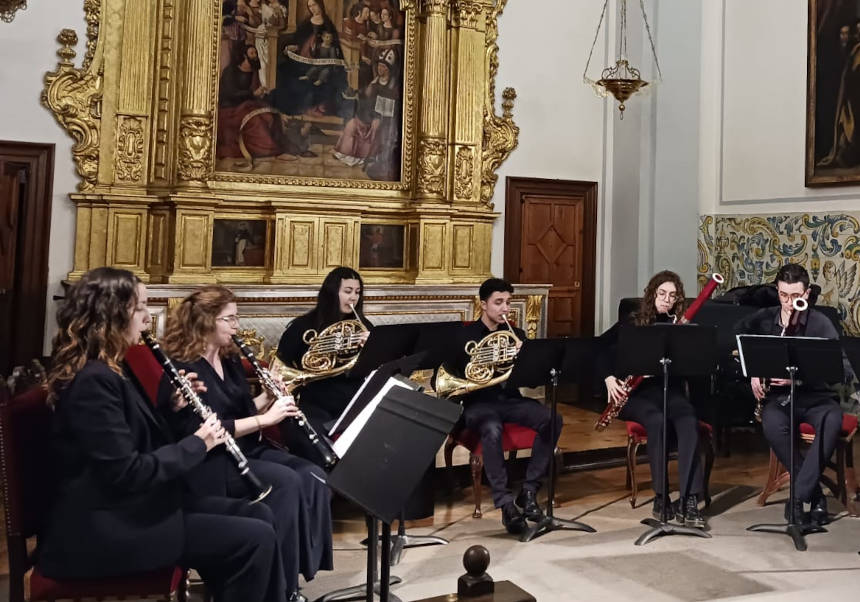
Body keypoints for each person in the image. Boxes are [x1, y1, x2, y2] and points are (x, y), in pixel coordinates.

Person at [37, 267, 286, 601]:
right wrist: (200, 442)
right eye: (140, 307)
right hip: (103, 528)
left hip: (132, 507)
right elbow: (127, 472)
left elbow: (135, 436)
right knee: (254, 538)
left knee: (260, 514)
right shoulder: (93, 381)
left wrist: (173, 407)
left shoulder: (114, 366)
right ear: (113, 314)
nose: (146, 318)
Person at [159, 286, 333, 601]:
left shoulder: (230, 358)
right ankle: (276, 589)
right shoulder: (182, 367)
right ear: (205, 321)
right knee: (287, 483)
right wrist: (266, 420)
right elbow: (208, 429)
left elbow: (240, 410)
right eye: (229, 319)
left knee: (312, 474)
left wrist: (270, 396)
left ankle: (290, 579)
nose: (237, 326)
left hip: (244, 449)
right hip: (211, 461)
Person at [441, 278, 561, 536]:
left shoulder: (516, 336)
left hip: (509, 399)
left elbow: (531, 379)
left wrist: (525, 358)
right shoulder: (464, 337)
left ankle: (528, 492)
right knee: (492, 429)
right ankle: (506, 504)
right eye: (498, 302)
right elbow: (442, 376)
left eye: (508, 302)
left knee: (552, 418)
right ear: (482, 304)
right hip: (477, 402)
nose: (505, 308)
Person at [734, 263, 851, 526]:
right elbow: (739, 339)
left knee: (831, 420)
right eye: (784, 295)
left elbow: (842, 370)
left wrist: (796, 376)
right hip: (781, 399)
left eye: (796, 296)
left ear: (807, 294)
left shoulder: (821, 323)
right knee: (773, 424)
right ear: (778, 291)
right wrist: (752, 370)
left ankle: (797, 497)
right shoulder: (765, 318)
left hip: (817, 397)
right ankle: (816, 496)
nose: (789, 302)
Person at [597, 270, 706, 528]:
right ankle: (661, 496)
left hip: (671, 390)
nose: (666, 300)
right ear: (652, 294)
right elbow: (600, 347)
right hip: (636, 395)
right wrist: (609, 378)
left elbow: (693, 366)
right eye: (662, 294)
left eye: (672, 295)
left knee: (689, 421)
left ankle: (690, 498)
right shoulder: (632, 321)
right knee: (657, 421)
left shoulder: (682, 326)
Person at [276, 266, 372, 466]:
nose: (353, 297)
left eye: (357, 292)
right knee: (307, 434)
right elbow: (279, 366)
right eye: (347, 291)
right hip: (316, 401)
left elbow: (374, 369)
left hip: (353, 401)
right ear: (331, 292)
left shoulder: (364, 327)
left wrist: (371, 348)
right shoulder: (303, 326)